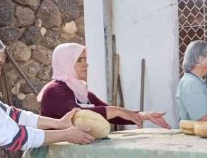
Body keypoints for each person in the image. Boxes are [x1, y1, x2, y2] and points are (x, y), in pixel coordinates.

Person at [38, 43, 169, 129]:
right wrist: (118, 110)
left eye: (85, 59)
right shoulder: (54, 91)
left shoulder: (81, 92)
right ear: (65, 63)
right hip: (54, 155)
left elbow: (109, 113)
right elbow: (78, 115)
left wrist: (143, 115)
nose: (86, 64)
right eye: (79, 60)